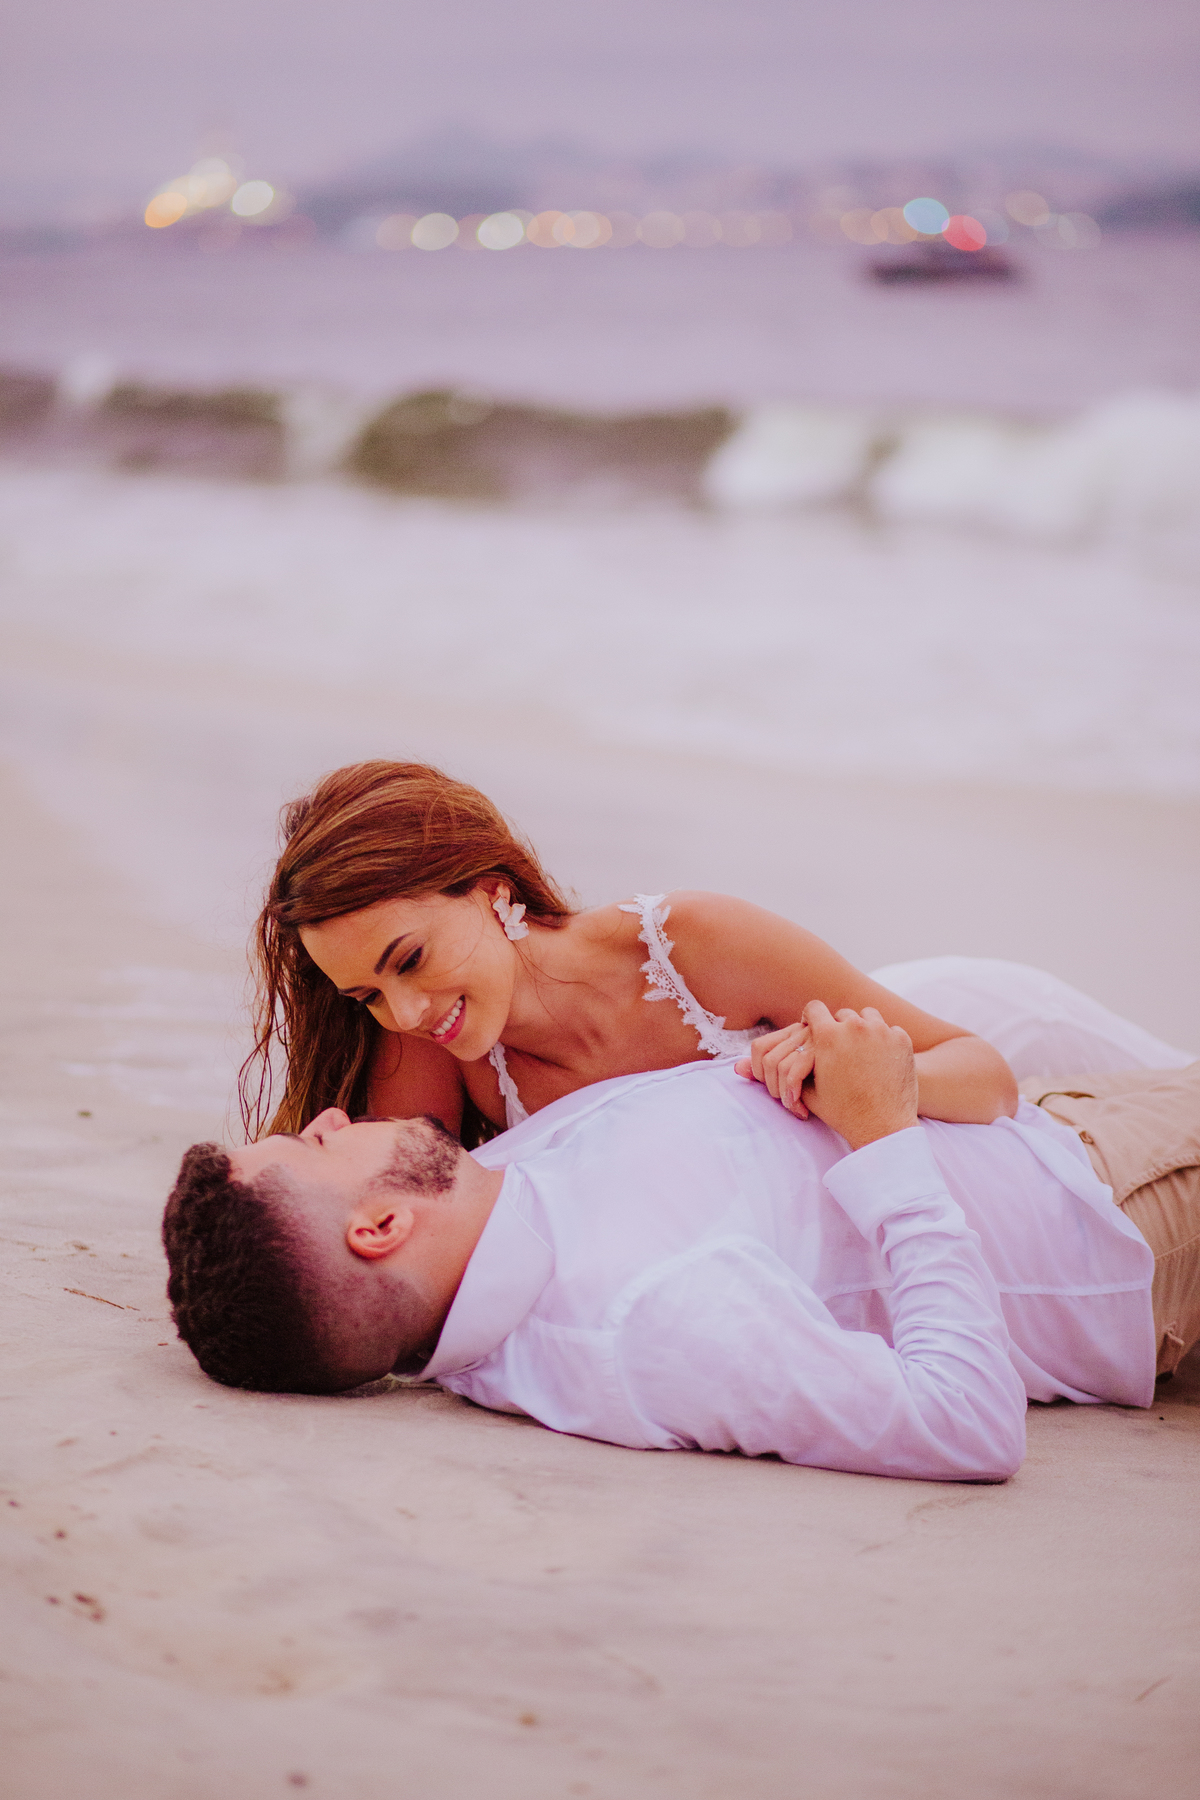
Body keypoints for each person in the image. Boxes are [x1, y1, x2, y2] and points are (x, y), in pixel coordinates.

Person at [165, 1002, 1200, 1484]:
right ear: (380, 1227)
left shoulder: (496, 1198)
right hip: (1126, 1221)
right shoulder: (652, 1319)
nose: (334, 1119)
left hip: (1058, 1126)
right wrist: (881, 1132)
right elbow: (967, 1426)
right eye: (314, 1145)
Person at [244, 760, 1034, 1147]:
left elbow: (988, 1076)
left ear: (487, 890)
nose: (406, 1013)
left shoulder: (695, 944)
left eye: (410, 960)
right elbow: (405, 1201)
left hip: (1002, 1072)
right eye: (368, 997)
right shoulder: (435, 1045)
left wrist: (857, 1080)